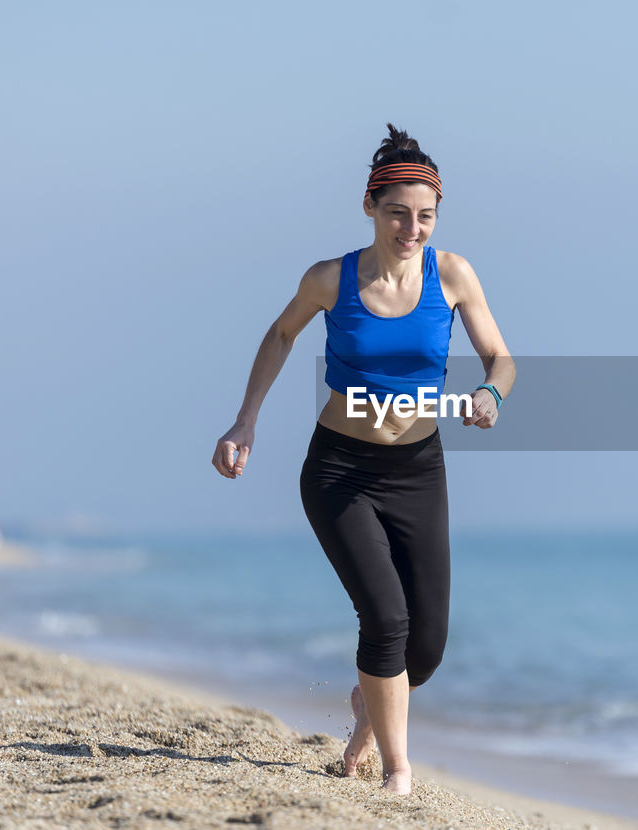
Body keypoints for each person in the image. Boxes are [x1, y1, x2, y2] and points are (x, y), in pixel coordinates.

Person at [211, 124, 515, 795]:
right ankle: (397, 771)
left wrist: (491, 393)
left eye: (425, 217)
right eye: (398, 214)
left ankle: (367, 711)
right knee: (385, 618)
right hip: (340, 471)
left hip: (418, 470)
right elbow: (282, 332)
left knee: (425, 648)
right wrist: (245, 421)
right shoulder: (330, 278)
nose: (412, 229)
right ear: (371, 208)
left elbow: (501, 357)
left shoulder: (453, 274)